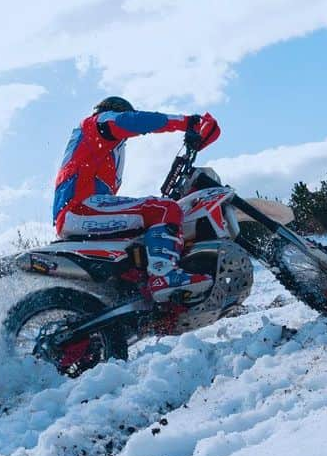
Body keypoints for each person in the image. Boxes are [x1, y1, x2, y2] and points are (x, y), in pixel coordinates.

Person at [53, 96, 221, 303]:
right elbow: (131, 121)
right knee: (164, 210)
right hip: (79, 208)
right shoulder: (97, 123)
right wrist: (187, 122)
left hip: (81, 211)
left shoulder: (100, 150)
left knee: (147, 236)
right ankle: (164, 276)